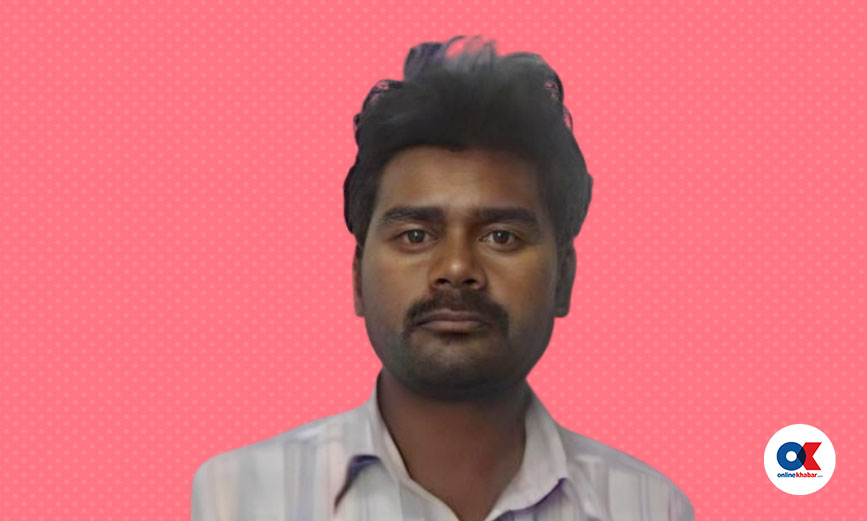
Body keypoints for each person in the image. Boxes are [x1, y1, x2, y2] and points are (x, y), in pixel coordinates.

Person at [191, 35, 694, 521]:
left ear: (564, 279)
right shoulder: (239, 497)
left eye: (501, 237)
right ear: (358, 278)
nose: (456, 269)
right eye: (415, 236)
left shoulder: (649, 508)